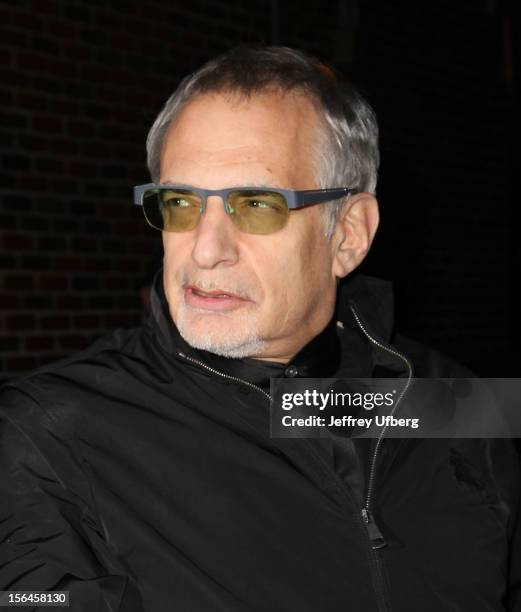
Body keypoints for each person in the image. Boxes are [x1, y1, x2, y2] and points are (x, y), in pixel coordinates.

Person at [0, 46, 519, 612]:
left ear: (347, 233)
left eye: (255, 204)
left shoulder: (459, 408)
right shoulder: (49, 436)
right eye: (180, 202)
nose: (205, 250)